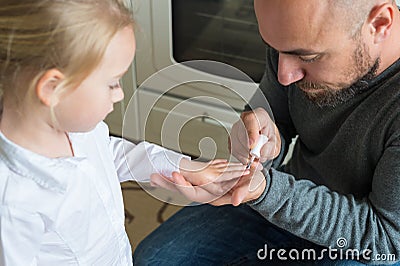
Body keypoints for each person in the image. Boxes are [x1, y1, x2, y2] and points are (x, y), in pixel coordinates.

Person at [134, 0, 400, 265]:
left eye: (307, 57)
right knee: (153, 260)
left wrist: (267, 191)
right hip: (292, 196)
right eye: (276, 50)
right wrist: (263, 140)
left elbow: (385, 240)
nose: (285, 75)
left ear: (379, 24)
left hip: (369, 241)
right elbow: (276, 118)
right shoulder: (293, 37)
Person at [0, 0, 249, 265]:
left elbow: (111, 154)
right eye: (112, 83)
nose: (120, 94)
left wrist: (183, 166)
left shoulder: (73, 126)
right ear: (52, 88)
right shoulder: (13, 203)